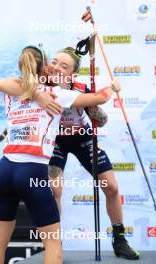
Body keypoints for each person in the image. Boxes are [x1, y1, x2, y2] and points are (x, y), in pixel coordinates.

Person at [0, 45, 118, 264]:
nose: (55, 67)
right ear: (44, 68)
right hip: (32, 172)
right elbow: (99, 98)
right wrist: (113, 86)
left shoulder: (13, 89)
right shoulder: (55, 93)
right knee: (53, 243)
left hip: (5, 171)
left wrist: (34, 92)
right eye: (52, 63)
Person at [48, 47, 140, 260]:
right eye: (54, 62)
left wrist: (96, 111)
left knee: (112, 186)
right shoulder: (43, 86)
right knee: (55, 191)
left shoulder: (82, 88)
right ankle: (54, 245)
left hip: (81, 137)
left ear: (72, 73)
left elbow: (102, 118)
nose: (57, 68)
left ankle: (119, 239)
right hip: (55, 140)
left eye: (64, 66)